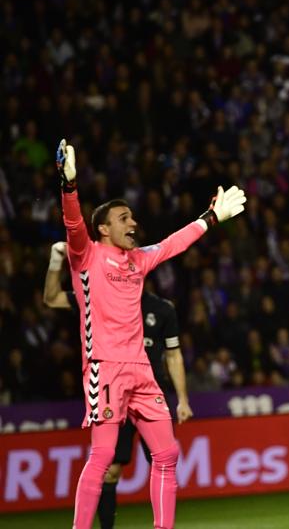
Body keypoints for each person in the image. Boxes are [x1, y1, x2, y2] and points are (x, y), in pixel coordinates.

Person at [56, 139, 245, 529]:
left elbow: (174, 243)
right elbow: (73, 224)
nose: (133, 224)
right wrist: (69, 186)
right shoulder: (86, 255)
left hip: (142, 371)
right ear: (104, 228)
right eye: (124, 219)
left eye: (133, 218)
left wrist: (210, 217)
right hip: (104, 368)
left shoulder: (138, 260)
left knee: (167, 453)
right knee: (103, 454)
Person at [45, 241, 192, 529]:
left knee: (164, 458)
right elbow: (51, 299)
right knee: (108, 467)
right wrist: (54, 264)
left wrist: (183, 399)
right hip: (114, 386)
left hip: (150, 388)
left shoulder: (162, 309)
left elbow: (173, 355)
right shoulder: (99, 294)